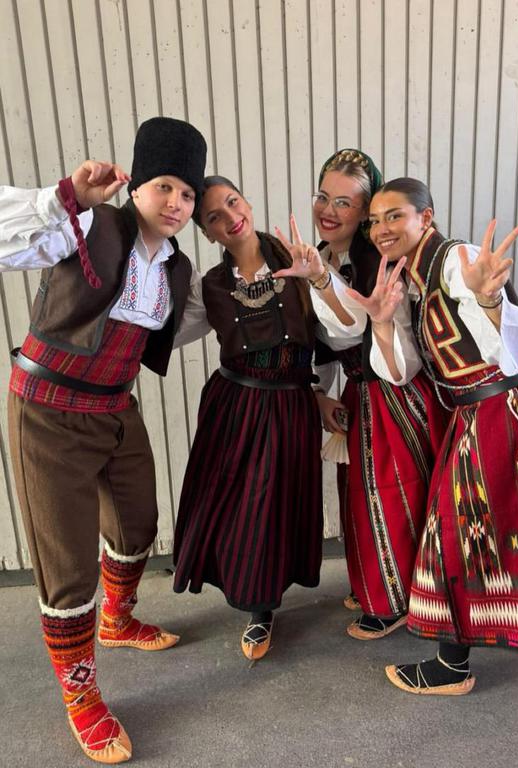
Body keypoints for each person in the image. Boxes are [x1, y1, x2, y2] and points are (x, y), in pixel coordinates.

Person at [0, 117, 209, 762]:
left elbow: (170, 329)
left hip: (115, 407)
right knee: (67, 567)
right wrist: (63, 197)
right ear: (136, 185)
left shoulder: (176, 268)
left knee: (138, 523)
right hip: (48, 412)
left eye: (188, 194)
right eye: (164, 186)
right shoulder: (91, 226)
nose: (176, 203)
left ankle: (117, 619)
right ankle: (82, 694)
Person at [347, 176, 518, 695]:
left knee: (453, 532)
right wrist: (382, 322)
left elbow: (503, 347)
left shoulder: (454, 260)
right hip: (482, 411)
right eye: (374, 221)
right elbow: (400, 371)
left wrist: (489, 299)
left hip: (507, 407)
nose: (381, 229)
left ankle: (451, 666)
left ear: (426, 217)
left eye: (394, 215)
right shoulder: (407, 280)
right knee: (514, 525)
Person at [273, 149, 449, 643]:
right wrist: (319, 393)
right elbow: (322, 343)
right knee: (361, 497)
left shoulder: (377, 262)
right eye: (323, 197)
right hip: (358, 393)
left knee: (392, 495)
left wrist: (321, 281)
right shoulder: (322, 257)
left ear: (364, 213)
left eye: (345, 203)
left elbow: (356, 329)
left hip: (394, 392)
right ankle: (379, 585)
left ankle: (398, 600)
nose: (328, 211)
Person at [173, 176, 323, 661]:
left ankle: (266, 601)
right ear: (207, 232)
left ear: (248, 202)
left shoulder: (300, 260)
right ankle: (257, 607)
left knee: (278, 505)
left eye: (233, 203)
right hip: (235, 405)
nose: (230, 218)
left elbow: (334, 335)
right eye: (214, 217)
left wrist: (320, 392)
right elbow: (167, 335)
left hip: (291, 404)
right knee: (244, 508)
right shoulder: (211, 287)